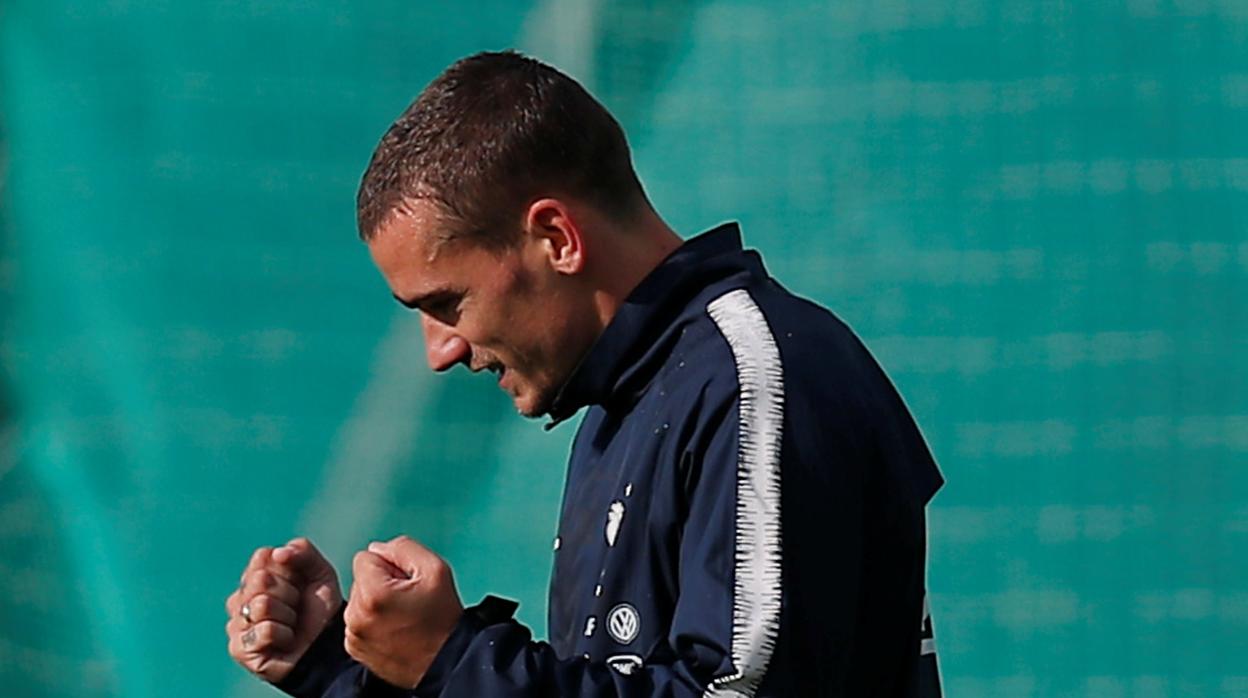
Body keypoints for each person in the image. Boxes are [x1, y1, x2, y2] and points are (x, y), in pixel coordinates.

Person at [225, 50, 944, 697]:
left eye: (446, 303)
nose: (441, 350)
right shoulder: (629, 402)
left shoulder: (757, 377)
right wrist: (344, 669)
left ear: (555, 238)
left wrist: (453, 662)